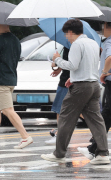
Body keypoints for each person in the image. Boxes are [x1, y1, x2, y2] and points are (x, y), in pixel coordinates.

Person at [41, 19, 110, 164]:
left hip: (80, 87)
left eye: (66, 34)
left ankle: (59, 153)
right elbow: (87, 65)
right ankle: (103, 154)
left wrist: (58, 60)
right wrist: (73, 78)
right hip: (94, 85)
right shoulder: (93, 43)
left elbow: (72, 65)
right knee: (96, 120)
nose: (66, 37)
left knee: (66, 118)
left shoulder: (77, 44)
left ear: (71, 32)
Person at [81, 21, 111, 156]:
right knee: (107, 114)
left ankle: (95, 148)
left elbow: (110, 57)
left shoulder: (109, 42)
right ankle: (96, 147)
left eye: (103, 26)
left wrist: (104, 72)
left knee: (107, 114)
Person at [46, 47, 70, 145]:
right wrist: (58, 67)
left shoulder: (72, 45)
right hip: (71, 80)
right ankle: (100, 134)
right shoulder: (69, 45)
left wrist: (57, 61)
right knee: (85, 112)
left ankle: (59, 137)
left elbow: (72, 64)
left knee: (60, 110)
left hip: (67, 82)